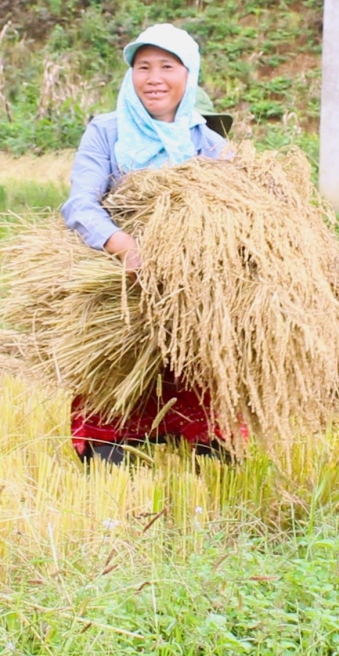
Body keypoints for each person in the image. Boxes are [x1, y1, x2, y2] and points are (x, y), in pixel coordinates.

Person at [59, 24, 231, 466]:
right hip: (118, 279)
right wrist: (125, 246)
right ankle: (111, 445)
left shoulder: (210, 144)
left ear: (189, 74)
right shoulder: (107, 131)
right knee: (116, 391)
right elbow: (80, 204)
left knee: (197, 381)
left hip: (191, 287)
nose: (154, 78)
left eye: (167, 67)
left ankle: (201, 442)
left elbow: (233, 216)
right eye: (143, 67)